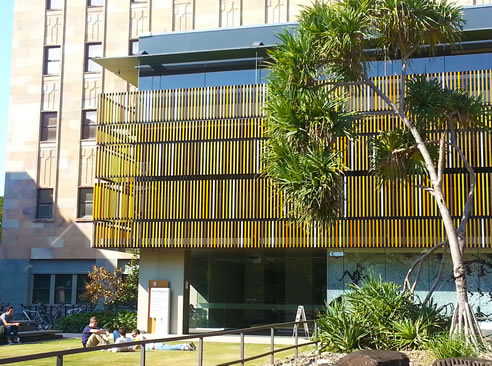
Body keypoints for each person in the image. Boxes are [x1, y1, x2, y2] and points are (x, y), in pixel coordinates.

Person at [131, 329, 196, 351]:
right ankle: (186, 345)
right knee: (171, 347)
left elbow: (136, 346)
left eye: (133, 335)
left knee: (171, 348)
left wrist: (131, 349)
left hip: (156, 346)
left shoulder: (138, 337)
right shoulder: (141, 336)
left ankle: (185, 347)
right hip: (156, 344)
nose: (132, 336)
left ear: (136, 334)